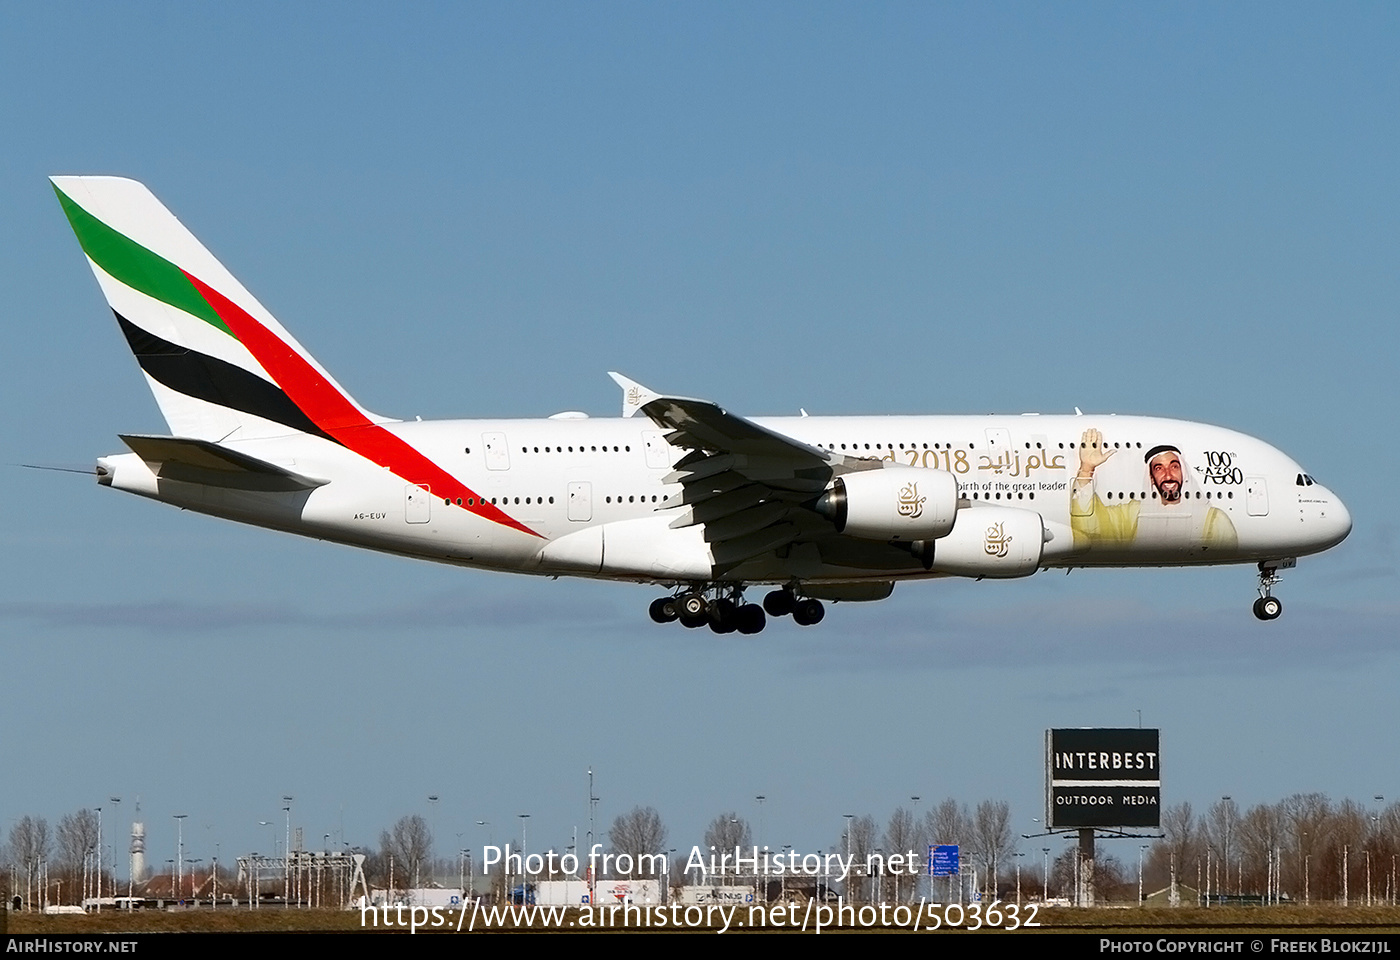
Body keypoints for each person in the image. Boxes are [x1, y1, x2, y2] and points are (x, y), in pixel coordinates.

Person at [1070, 428, 1237, 551]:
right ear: (1151, 477)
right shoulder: (1132, 515)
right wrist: (1087, 469)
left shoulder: (1214, 521)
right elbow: (1091, 528)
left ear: (1183, 473)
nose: (1168, 475)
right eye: (1159, 468)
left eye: (1174, 467)